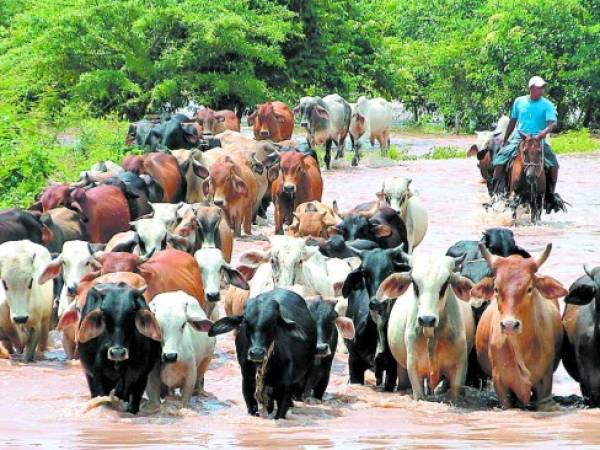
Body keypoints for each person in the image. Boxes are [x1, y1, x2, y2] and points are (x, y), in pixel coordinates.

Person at [492, 76, 565, 213]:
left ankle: (549, 197)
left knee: (554, 166)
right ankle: (497, 195)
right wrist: (506, 139)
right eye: (539, 87)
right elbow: (513, 121)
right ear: (531, 88)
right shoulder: (519, 102)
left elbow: (551, 124)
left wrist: (543, 133)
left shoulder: (547, 104)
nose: (541, 90)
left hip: (538, 140)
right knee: (499, 162)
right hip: (519, 138)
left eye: (543, 87)